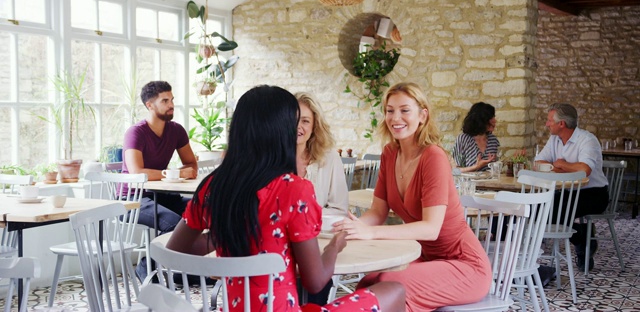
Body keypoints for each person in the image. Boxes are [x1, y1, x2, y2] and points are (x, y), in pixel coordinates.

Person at [166, 85, 406, 312]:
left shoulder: (214, 185)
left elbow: (176, 248)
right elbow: (315, 282)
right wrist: (334, 247)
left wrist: (231, 234)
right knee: (394, 290)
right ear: (281, 132)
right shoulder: (294, 190)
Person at [336, 82, 492, 311]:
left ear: (422, 115)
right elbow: (378, 212)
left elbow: (431, 228)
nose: (395, 117)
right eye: (390, 110)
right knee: (369, 282)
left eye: (404, 110)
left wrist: (370, 233)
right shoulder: (390, 154)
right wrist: (353, 227)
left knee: (390, 286)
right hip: (423, 256)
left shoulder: (433, 157)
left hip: (464, 264)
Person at [122, 81, 198, 280]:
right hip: (132, 199)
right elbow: (136, 172)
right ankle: (146, 268)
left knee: (204, 212)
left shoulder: (176, 131)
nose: (171, 104)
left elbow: (191, 163)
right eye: (165, 100)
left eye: (172, 99)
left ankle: (191, 269)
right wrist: (176, 174)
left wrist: (183, 172)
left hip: (163, 195)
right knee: (174, 225)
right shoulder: (136, 133)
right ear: (150, 105)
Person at [535, 103, 609, 271]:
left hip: (593, 195)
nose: (547, 124)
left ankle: (582, 237)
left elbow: (584, 170)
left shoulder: (587, 140)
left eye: (549, 121)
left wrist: (562, 164)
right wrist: (559, 167)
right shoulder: (554, 139)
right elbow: (538, 162)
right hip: (567, 192)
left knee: (548, 211)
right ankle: (581, 235)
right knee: (539, 209)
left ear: (561, 124)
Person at [295, 92, 349, 304]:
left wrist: (306, 219)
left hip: (316, 240)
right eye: (292, 119)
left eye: (305, 120)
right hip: (283, 244)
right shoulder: (274, 157)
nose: (297, 126)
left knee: (316, 282)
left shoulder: (329, 157)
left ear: (315, 125)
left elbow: (339, 207)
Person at [452, 102, 499, 172]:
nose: (495, 120)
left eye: (494, 117)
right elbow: (455, 170)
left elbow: (495, 168)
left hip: (491, 182)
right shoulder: (463, 139)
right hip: (468, 183)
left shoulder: (493, 140)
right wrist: (476, 167)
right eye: (491, 118)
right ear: (480, 121)